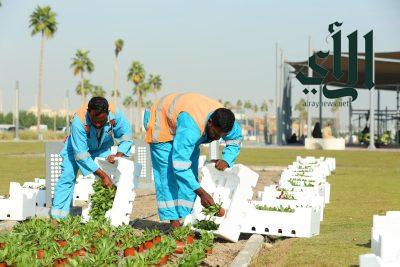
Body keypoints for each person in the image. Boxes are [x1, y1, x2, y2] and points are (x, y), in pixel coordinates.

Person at [144, 93, 243, 228]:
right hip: (160, 121)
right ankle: (174, 222)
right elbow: (179, 165)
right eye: (215, 133)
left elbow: (235, 139)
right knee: (167, 173)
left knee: (190, 174)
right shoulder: (191, 127)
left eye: (221, 136)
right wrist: (202, 193)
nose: (216, 138)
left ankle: (187, 217)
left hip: (184, 119)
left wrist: (226, 159)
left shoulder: (227, 122)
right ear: (210, 123)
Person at [51, 97, 133, 219]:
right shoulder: (79, 121)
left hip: (102, 148)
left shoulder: (115, 114)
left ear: (108, 113)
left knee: (105, 182)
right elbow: (81, 155)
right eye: (94, 121)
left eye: (102, 121)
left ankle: (101, 216)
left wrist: (118, 155)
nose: (98, 124)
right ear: (89, 112)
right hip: (76, 148)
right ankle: (58, 217)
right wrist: (102, 175)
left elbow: (126, 135)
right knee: (67, 177)